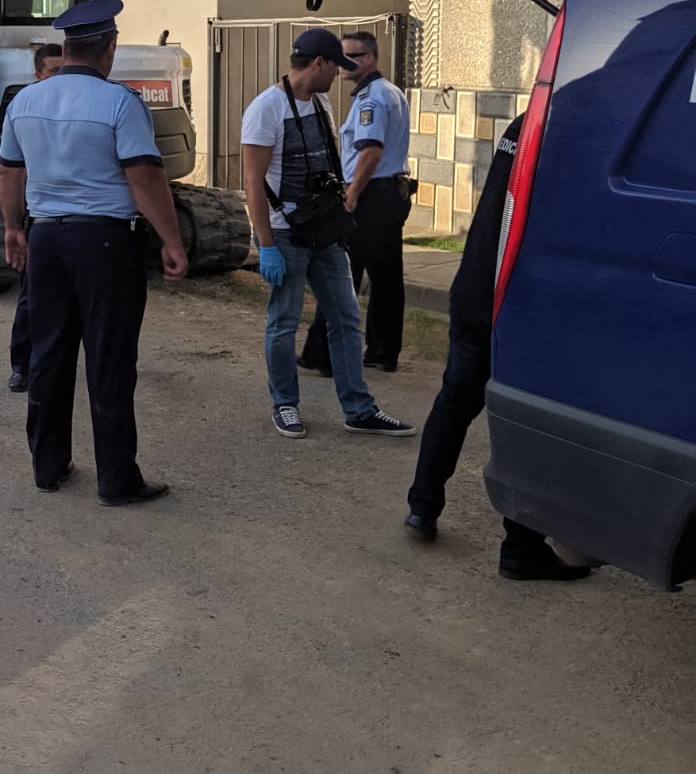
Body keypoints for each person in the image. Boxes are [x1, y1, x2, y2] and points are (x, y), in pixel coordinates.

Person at [0, 0, 190, 506]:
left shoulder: (24, 101)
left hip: (46, 239)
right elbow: (145, 176)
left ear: (65, 49)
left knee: (48, 354)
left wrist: (13, 228)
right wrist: (171, 240)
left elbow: (9, 170)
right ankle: (117, 480)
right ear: (109, 49)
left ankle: (48, 465)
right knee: (109, 359)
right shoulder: (119, 103)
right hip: (104, 243)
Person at [404, 115, 590, 580]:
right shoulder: (579, 131)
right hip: (522, 304)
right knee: (530, 425)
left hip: (478, 288)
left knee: (455, 401)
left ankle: (422, 507)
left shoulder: (526, 123)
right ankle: (522, 546)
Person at [241, 28, 412, 440]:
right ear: (318, 63)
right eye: (336, 65)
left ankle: (359, 409)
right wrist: (266, 245)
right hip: (284, 233)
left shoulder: (320, 103)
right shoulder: (266, 109)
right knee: (284, 320)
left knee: (346, 318)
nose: (339, 74)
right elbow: (252, 180)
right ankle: (285, 404)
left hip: (325, 230)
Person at [298, 30, 413, 374]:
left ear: (371, 58)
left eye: (352, 56)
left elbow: (370, 152)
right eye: (342, 56)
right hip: (390, 194)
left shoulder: (371, 99)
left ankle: (322, 355)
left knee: (340, 273)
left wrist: (350, 197)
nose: (344, 63)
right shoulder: (390, 91)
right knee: (386, 277)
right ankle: (382, 351)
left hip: (369, 195)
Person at [7, 42, 65, 393]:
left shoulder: (81, 106)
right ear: (38, 75)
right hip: (40, 217)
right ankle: (22, 367)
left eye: (64, 70)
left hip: (79, 219)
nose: (60, 78)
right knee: (32, 296)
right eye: (54, 72)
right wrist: (14, 224)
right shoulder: (25, 109)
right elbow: (11, 168)